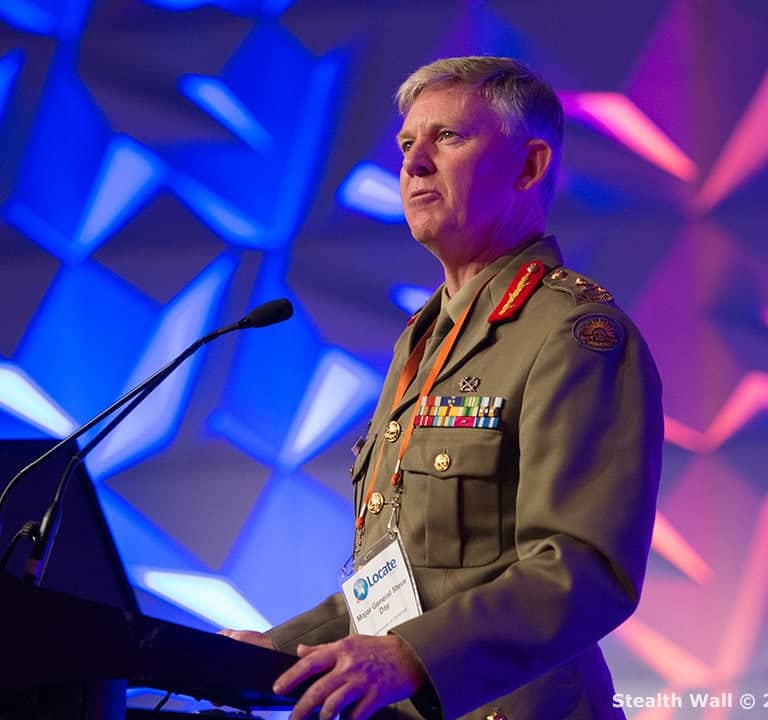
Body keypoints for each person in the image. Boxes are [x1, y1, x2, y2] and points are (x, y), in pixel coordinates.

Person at [222, 56, 663, 720]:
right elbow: (402, 582)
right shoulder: (422, 340)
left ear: (529, 166)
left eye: (448, 137)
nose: (414, 163)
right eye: (406, 144)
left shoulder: (573, 335)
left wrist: (412, 657)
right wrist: (276, 653)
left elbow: (583, 566)